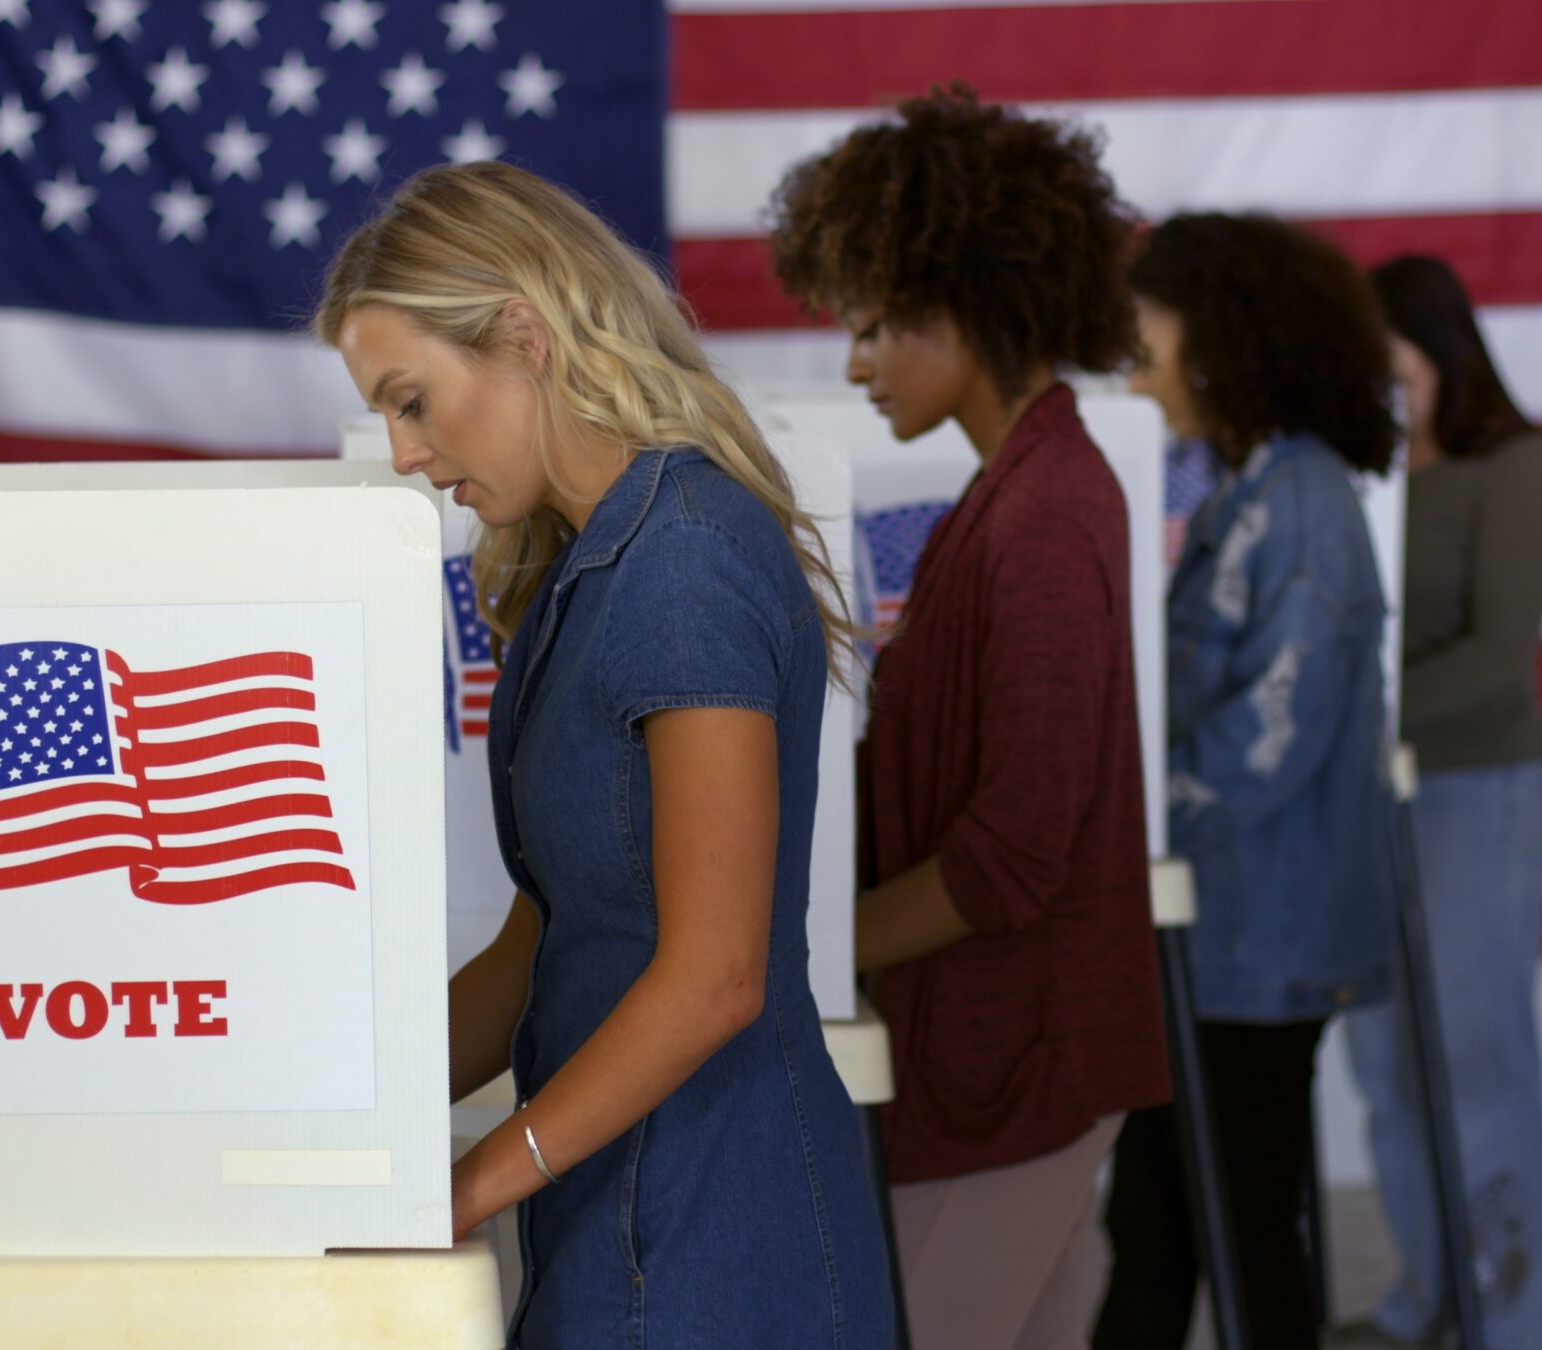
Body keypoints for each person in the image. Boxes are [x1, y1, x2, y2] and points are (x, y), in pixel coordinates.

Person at [316, 161, 893, 1350]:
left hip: (722, 1242)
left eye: (413, 401)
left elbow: (716, 976)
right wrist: (335, 1114)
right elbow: (542, 943)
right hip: (619, 1222)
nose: (405, 451)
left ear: (523, 336)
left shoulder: (682, 562)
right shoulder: (590, 565)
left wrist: (465, 1189)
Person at [769, 86, 1170, 1350]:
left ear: (962, 303)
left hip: (1020, 1055)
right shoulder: (1017, 494)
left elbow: (1014, 849)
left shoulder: (1041, 515)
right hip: (1012, 1051)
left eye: (874, 326)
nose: (855, 363)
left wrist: (813, 957)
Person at [1092, 214, 1402, 1350]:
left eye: (1149, 347)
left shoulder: (1301, 505)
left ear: (1222, 343)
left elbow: (1269, 738)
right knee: (1170, 1219)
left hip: (1256, 939)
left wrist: (1120, 816)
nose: (1137, 375)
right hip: (1220, 930)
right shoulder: (1248, 489)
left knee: (1232, 1226)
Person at [1334, 255, 1542, 1350]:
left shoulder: (1515, 468)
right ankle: (1430, 1301)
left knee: (1479, 1064)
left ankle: (1513, 1323)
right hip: (1366, 802)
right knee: (1385, 1067)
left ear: (1441, 353)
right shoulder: (1353, 473)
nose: (1379, 389)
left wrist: (1347, 722)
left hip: (1480, 793)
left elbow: (1498, 656)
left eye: (1394, 367)